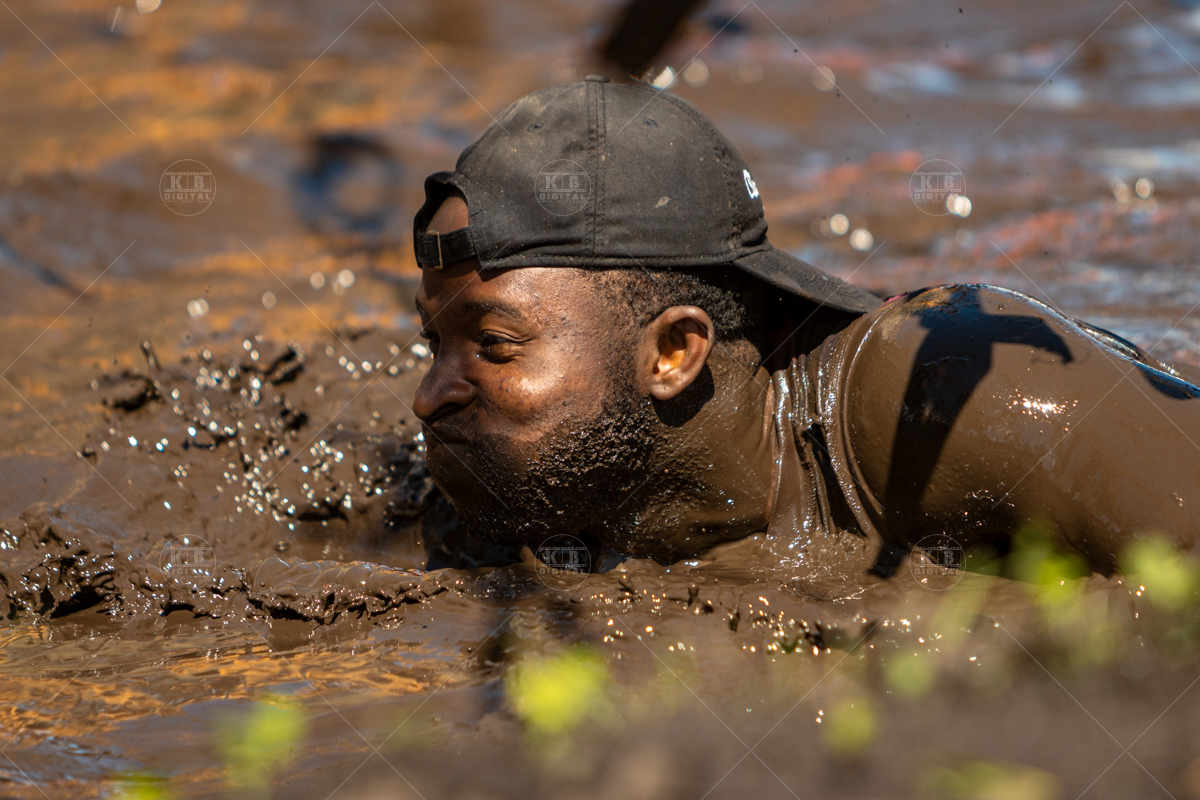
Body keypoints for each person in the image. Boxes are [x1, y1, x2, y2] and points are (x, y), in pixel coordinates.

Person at [409, 76, 1200, 577]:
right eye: (432, 343)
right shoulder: (528, 489)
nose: (427, 397)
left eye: (494, 345)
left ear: (675, 351)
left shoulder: (951, 385)